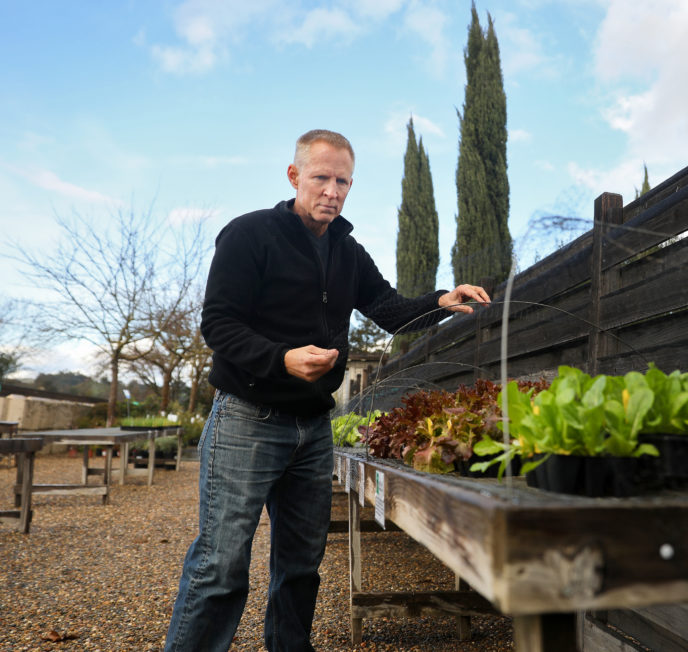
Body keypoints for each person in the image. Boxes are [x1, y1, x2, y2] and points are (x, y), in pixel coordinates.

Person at [164, 129, 490, 652]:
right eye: (321, 178)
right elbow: (218, 324)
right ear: (294, 177)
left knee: (301, 566)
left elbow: (387, 309)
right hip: (248, 418)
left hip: (314, 429)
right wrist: (281, 359)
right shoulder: (249, 235)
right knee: (221, 565)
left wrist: (440, 300)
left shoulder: (348, 252)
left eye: (342, 181)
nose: (332, 191)